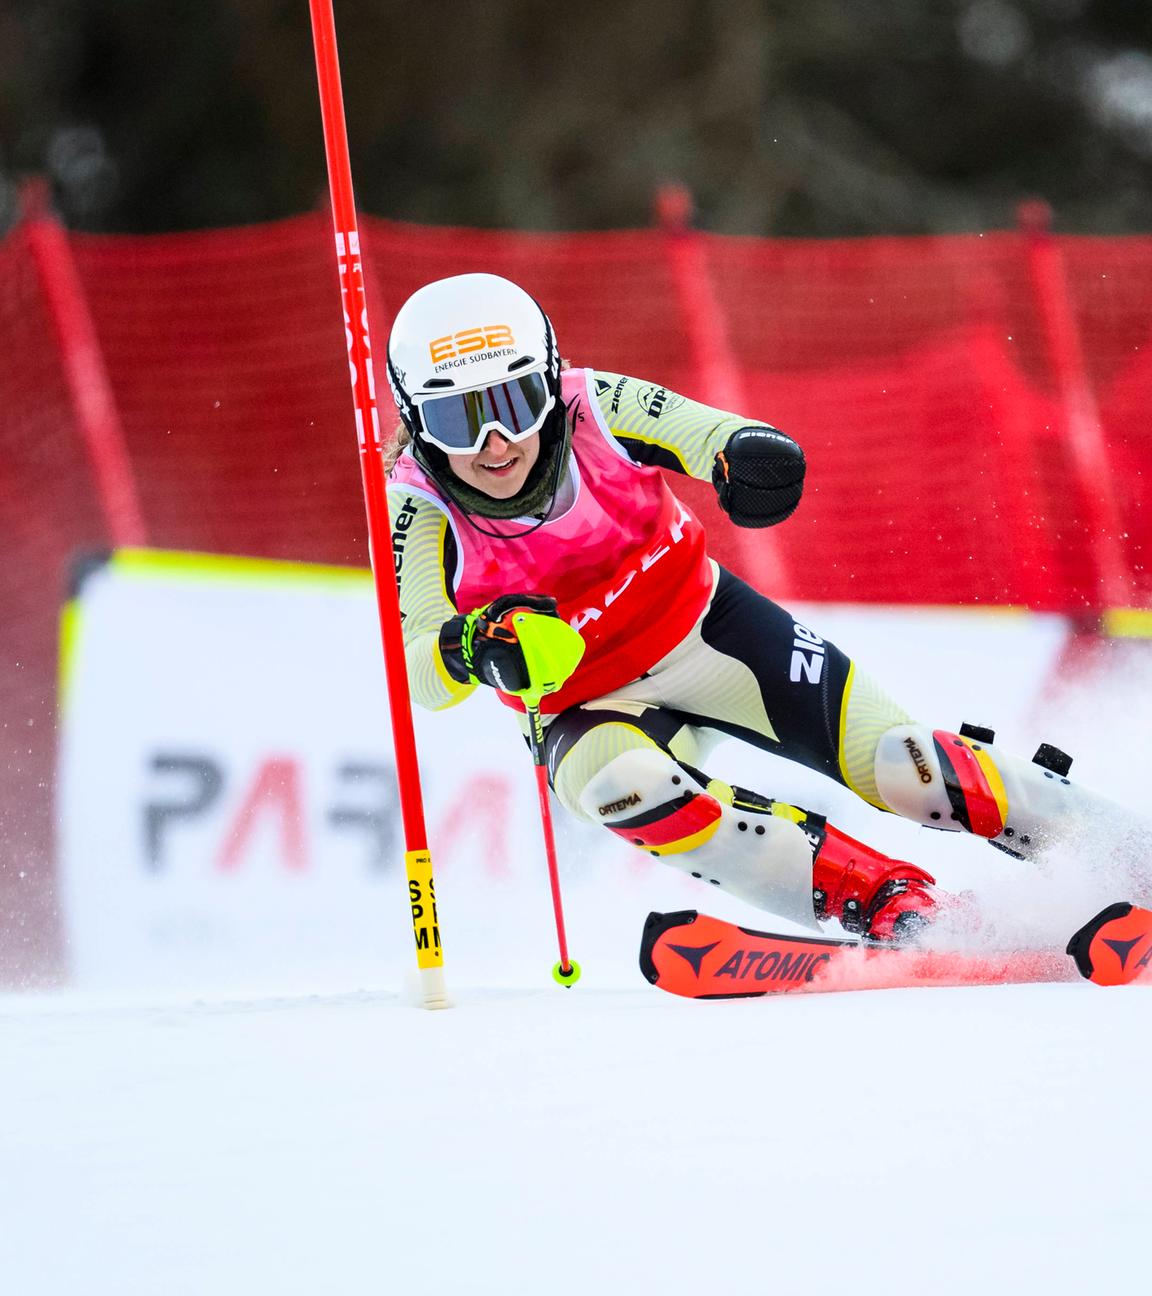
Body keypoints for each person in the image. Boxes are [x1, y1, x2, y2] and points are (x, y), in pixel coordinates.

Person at [384, 271, 1114, 942]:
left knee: (903, 766)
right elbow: (417, 668)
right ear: (418, 423)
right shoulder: (417, 504)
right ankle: (895, 906)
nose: (495, 442)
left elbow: (708, 435)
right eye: (457, 420)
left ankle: (1112, 850)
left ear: (549, 382)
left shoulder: (591, 406)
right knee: (623, 788)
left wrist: (749, 456)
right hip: (582, 703)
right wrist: (471, 645)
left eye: (515, 403)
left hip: (710, 631)